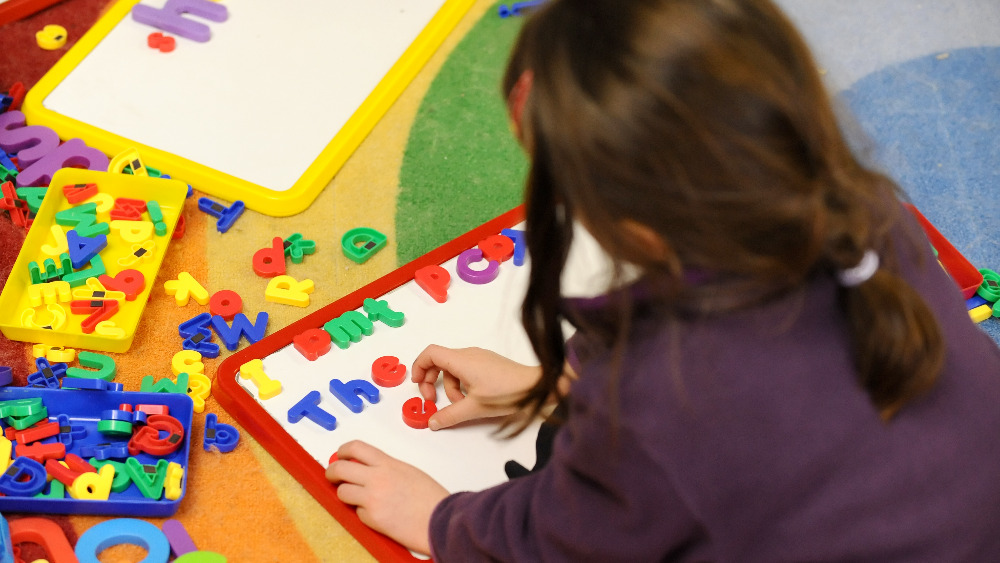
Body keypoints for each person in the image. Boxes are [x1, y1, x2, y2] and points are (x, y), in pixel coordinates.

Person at [326, 0, 1000, 559]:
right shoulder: (866, 209)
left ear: (636, 222)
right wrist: (554, 386)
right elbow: (781, 416)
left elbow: (569, 540)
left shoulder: (658, 397)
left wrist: (441, 520)